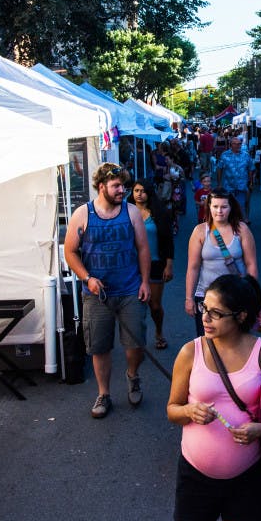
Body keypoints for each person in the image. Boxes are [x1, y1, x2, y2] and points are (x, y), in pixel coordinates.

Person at [168, 274, 261, 521]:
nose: (205, 318)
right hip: (195, 475)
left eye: (216, 313)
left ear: (241, 316)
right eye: (204, 308)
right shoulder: (190, 352)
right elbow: (172, 409)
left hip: (248, 476)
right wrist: (189, 411)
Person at [64, 163, 151, 419]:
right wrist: (87, 277)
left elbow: (143, 249)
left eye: (123, 185)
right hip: (96, 296)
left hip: (130, 290)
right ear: (101, 186)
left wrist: (145, 282)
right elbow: (70, 251)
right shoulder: (83, 214)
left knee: (135, 345)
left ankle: (132, 375)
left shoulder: (132, 212)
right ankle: (104, 394)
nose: (121, 190)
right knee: (99, 347)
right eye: (116, 186)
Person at [185, 189, 259, 336]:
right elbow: (193, 267)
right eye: (215, 206)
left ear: (231, 208)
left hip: (236, 295)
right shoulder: (200, 231)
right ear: (209, 207)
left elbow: (251, 264)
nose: (219, 211)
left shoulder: (241, 229)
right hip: (207, 297)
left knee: (236, 340)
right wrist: (189, 298)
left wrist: (254, 295)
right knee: (208, 341)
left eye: (224, 207)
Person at [128, 178, 175, 350]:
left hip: (156, 264)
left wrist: (169, 264)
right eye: (136, 191)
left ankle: (159, 331)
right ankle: (135, 340)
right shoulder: (125, 211)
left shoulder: (159, 213)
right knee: (133, 306)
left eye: (143, 191)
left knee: (154, 305)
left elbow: (168, 240)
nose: (139, 194)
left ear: (149, 193)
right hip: (132, 266)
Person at [217, 136, 255, 223]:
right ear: (231, 145)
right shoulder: (225, 155)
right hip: (229, 186)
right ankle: (230, 223)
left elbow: (251, 169)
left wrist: (251, 182)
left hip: (242, 186)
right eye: (235, 144)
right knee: (229, 206)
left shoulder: (246, 155)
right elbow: (219, 168)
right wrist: (219, 183)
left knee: (243, 204)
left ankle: (244, 220)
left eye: (239, 144)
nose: (238, 146)